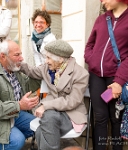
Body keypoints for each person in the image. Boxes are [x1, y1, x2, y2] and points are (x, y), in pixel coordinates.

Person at [20, 39, 89, 150]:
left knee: (45, 121)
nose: (46, 61)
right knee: (47, 120)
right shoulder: (47, 68)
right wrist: (18, 63)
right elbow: (32, 71)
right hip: (52, 113)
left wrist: (46, 106)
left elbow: (72, 101)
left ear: (60, 59)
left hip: (70, 114)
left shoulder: (81, 73)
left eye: (48, 57)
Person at [0, 40, 41, 150]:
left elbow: (27, 86)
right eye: (17, 55)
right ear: (3, 56)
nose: (21, 58)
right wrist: (19, 105)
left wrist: (42, 74)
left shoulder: (13, 68)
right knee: (17, 140)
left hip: (13, 114)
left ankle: (7, 140)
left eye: (21, 54)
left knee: (37, 127)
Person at [84, 0, 128, 150]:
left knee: (116, 119)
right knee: (100, 118)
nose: (102, 2)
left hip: (116, 77)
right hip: (96, 76)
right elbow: (90, 44)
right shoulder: (101, 19)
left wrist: (119, 81)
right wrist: (92, 60)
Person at [31, 9, 56, 99]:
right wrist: (39, 66)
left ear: (47, 24)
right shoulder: (34, 37)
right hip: (41, 68)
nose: (38, 25)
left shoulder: (51, 38)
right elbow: (36, 53)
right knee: (39, 89)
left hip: (51, 69)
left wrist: (44, 68)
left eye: (42, 22)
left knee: (48, 92)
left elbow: (52, 57)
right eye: (36, 22)